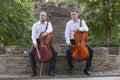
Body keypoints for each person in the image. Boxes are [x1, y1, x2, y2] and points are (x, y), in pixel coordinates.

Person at [64, 10, 94, 75]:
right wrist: (68, 42)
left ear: (77, 15)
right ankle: (71, 68)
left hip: (81, 40)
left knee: (92, 51)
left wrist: (79, 29)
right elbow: (66, 33)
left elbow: (86, 29)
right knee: (68, 51)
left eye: (74, 14)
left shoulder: (82, 21)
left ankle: (87, 69)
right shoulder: (68, 23)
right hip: (72, 40)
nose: (73, 16)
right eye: (72, 15)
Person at [29, 11, 57, 77]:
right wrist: (34, 42)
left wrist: (46, 32)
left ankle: (51, 71)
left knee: (55, 53)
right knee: (31, 53)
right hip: (38, 41)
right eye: (41, 15)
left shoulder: (48, 23)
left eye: (44, 16)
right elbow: (33, 34)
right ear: (39, 17)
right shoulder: (35, 25)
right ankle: (34, 72)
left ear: (46, 17)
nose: (43, 17)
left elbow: (51, 29)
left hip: (46, 41)